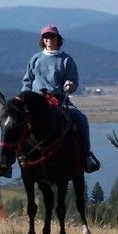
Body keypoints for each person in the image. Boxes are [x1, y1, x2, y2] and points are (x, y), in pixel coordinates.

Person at [21, 24, 100, 173]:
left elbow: (73, 80)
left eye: (51, 36)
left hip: (58, 100)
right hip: (35, 101)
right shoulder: (35, 59)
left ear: (58, 38)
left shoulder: (66, 60)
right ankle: (8, 158)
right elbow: (27, 81)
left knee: (81, 118)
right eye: (45, 37)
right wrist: (26, 97)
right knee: (14, 121)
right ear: (42, 40)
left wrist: (70, 85)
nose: (48, 39)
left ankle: (86, 155)